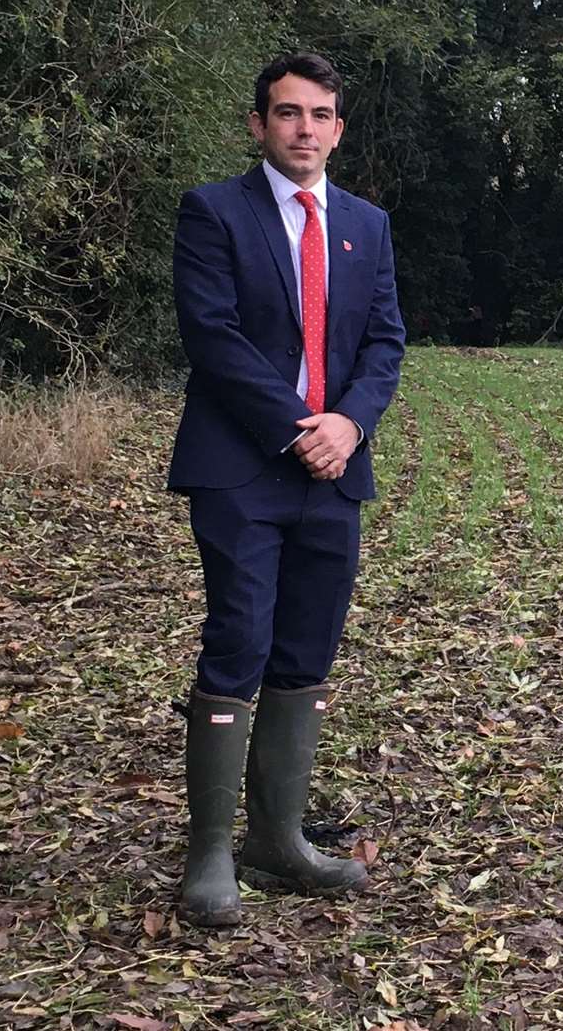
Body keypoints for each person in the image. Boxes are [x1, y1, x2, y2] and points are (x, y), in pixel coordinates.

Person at [167, 52, 405, 927]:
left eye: (320, 114)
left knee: (306, 652)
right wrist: (301, 428)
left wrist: (348, 424)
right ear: (259, 124)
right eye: (287, 113)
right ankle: (210, 857)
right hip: (241, 468)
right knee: (238, 643)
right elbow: (214, 338)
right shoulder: (213, 212)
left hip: (334, 472)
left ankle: (279, 840)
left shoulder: (367, 225)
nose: (304, 128)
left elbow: (384, 342)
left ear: (338, 128)